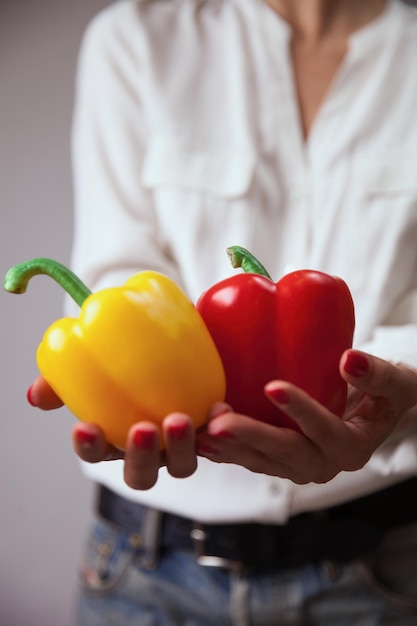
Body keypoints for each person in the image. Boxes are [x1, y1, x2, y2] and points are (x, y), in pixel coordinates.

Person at [27, 0, 417, 623]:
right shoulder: (137, 38)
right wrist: (138, 392)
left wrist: (401, 387)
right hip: (145, 572)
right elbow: (119, 280)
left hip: (381, 570)